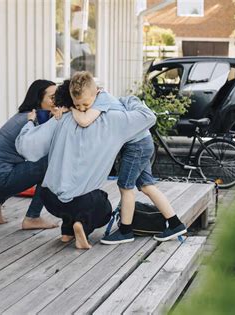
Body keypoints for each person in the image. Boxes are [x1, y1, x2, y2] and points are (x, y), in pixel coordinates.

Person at [15, 77, 156, 250]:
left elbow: (27, 146)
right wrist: (130, 101)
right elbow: (148, 117)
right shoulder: (113, 120)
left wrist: (30, 123)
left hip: (48, 198)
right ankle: (82, 226)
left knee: (67, 194)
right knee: (102, 204)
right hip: (79, 200)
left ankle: (66, 232)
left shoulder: (60, 118)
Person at [67, 71, 187, 245]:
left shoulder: (103, 100)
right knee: (147, 186)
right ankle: (175, 224)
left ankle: (125, 231)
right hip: (142, 142)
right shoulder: (97, 99)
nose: (82, 109)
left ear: (96, 92)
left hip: (136, 146)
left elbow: (84, 121)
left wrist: (70, 109)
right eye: (77, 105)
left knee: (125, 187)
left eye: (85, 104)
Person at [0, 80, 59, 229]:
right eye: (53, 97)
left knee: (20, 165)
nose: (57, 101)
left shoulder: (26, 115)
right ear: (38, 100)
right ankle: (33, 217)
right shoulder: (33, 120)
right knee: (51, 163)